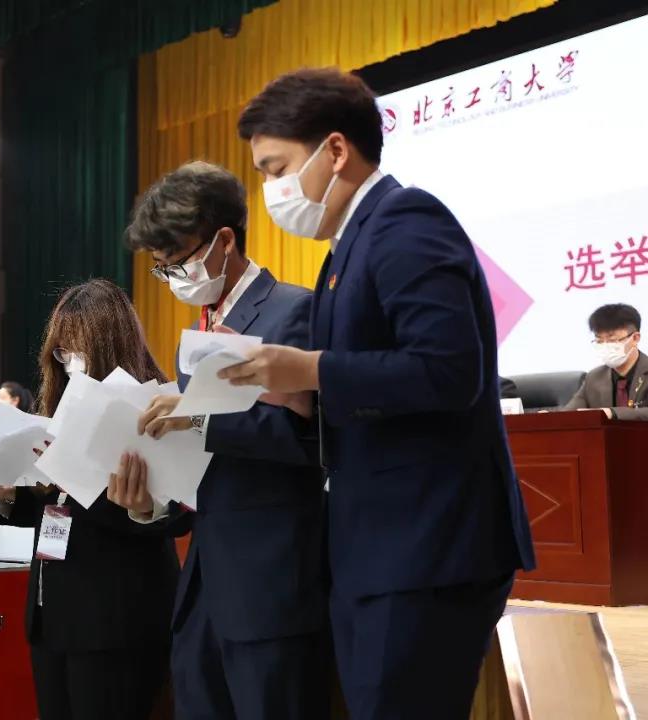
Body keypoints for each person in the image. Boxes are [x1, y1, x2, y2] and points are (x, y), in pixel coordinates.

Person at [219, 68, 535, 719]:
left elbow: (449, 370)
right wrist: (293, 393)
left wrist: (310, 371)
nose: (273, 191)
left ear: (335, 150)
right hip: (381, 546)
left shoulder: (405, 222)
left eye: (278, 169)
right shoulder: (347, 248)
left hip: (426, 545)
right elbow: (366, 379)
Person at [115, 161, 329, 719]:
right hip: (204, 585)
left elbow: (311, 440)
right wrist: (150, 503)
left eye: (177, 262)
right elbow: (205, 464)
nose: (172, 278)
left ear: (225, 241)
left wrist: (199, 419)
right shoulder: (197, 334)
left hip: (272, 580)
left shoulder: (294, 311)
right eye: (161, 269)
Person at [0, 279, 180, 720]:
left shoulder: (152, 402)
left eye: (77, 351)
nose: (69, 364)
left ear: (109, 341)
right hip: (52, 613)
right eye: (62, 353)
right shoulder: (62, 403)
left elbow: (175, 511)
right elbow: (55, 503)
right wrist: (9, 494)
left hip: (114, 617)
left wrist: (133, 505)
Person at [564, 304, 648, 419]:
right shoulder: (594, 377)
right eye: (599, 341)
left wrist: (612, 413)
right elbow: (569, 414)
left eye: (612, 340)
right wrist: (549, 417)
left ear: (635, 338)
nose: (605, 346)